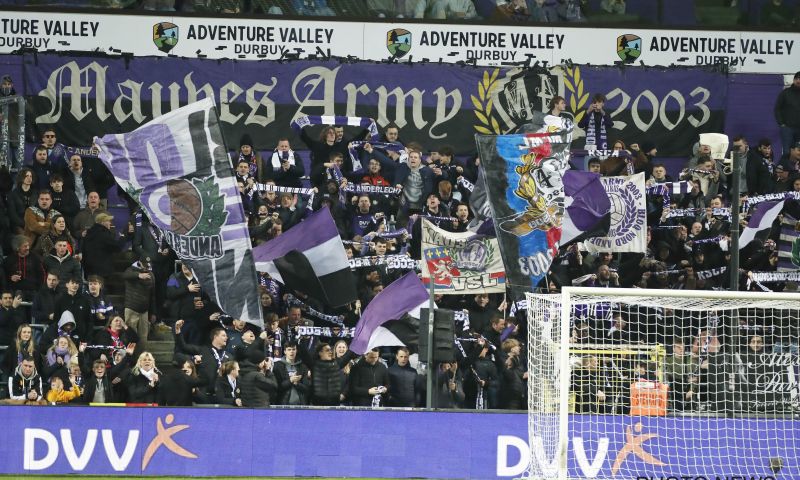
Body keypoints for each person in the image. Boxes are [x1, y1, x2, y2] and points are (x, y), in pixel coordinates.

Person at [174, 320, 230, 402]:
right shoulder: (203, 350)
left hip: (221, 396)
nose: (226, 337)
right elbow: (183, 346)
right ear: (215, 337)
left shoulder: (229, 356)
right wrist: (178, 330)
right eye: (223, 335)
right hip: (203, 394)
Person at [122, 255, 154, 350]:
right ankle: (130, 360)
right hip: (131, 308)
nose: (146, 267)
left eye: (147, 266)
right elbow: (125, 275)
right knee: (130, 336)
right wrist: (138, 275)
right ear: (139, 262)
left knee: (143, 338)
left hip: (144, 310)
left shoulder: (151, 274)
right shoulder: (131, 269)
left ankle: (141, 360)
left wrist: (153, 312)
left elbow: (153, 295)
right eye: (144, 265)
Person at [81, 212, 123, 278]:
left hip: (89, 269)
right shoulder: (103, 234)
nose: (110, 223)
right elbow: (117, 247)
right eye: (108, 221)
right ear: (102, 222)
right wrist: (123, 237)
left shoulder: (89, 233)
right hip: (102, 271)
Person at [273, 340, 311, 405]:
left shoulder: (303, 367)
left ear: (296, 351)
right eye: (289, 349)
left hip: (300, 405)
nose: (291, 352)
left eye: (293, 349)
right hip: (283, 405)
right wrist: (290, 381)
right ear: (285, 351)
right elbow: (277, 387)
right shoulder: (277, 366)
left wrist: (297, 384)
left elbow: (307, 388)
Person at [775, 71, 800, 157]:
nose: (799, 81)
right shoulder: (785, 93)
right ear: (794, 80)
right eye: (797, 79)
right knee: (787, 153)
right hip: (787, 129)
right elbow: (777, 109)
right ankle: (787, 170)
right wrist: (782, 124)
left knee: (799, 153)